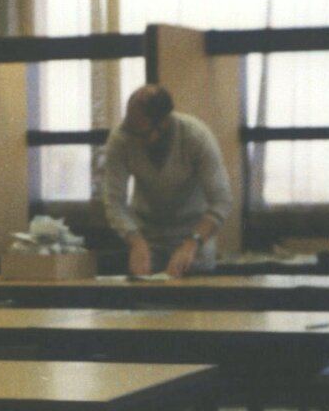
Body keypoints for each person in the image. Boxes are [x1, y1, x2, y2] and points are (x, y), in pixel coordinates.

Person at [100, 83, 235, 279]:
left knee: (195, 305)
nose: (133, 139)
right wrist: (134, 239)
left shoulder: (195, 136)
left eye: (140, 134)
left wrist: (192, 243)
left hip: (194, 239)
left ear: (163, 124)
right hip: (146, 237)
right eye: (129, 128)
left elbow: (221, 200)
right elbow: (114, 201)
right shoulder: (122, 138)